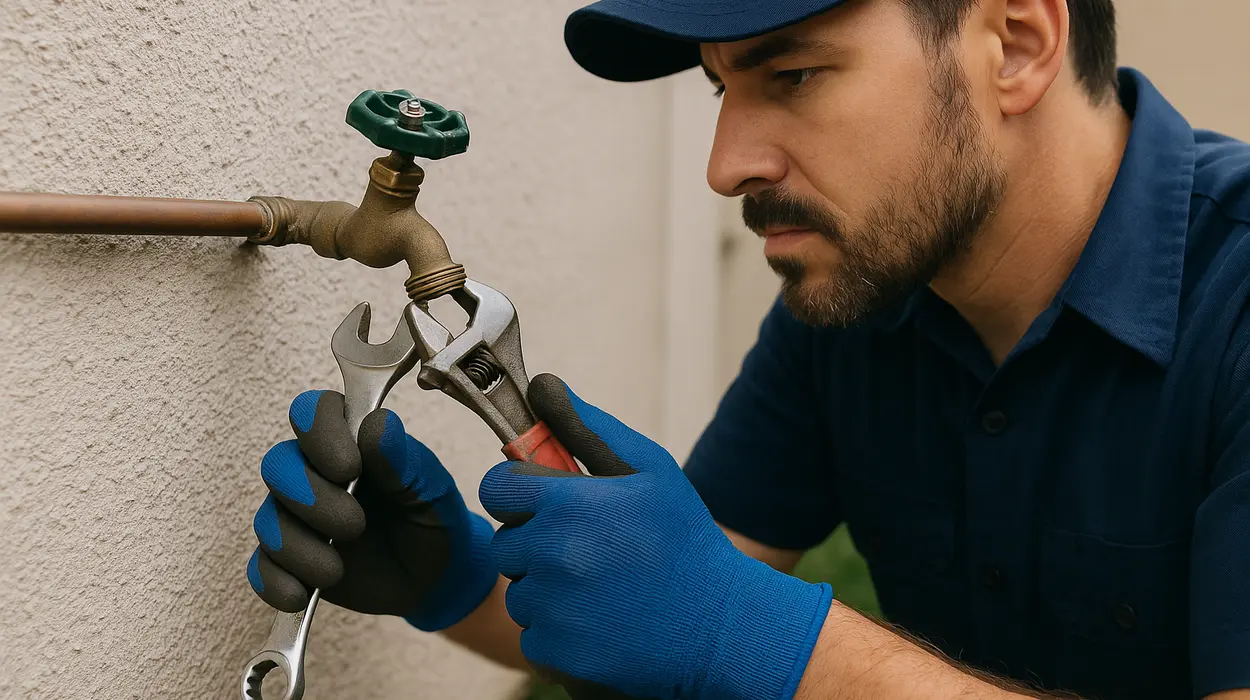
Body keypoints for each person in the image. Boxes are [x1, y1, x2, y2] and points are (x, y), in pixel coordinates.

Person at [244, 0, 1250, 698]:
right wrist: (451, 575)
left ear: (1017, 44)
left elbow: (716, 616)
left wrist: (756, 633)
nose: (727, 166)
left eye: (795, 73)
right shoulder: (866, 296)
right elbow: (662, 603)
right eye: (722, 87)